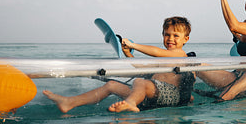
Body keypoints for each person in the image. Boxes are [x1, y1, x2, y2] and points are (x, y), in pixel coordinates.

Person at [43, 16, 195, 113]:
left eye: (176, 36)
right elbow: (143, 69)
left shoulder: (180, 55)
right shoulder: (164, 57)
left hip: (171, 97)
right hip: (151, 95)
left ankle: (129, 103)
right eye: (167, 34)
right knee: (111, 85)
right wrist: (129, 54)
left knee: (140, 82)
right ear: (162, 35)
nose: (170, 39)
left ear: (185, 39)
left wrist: (133, 44)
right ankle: (69, 102)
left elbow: (156, 52)